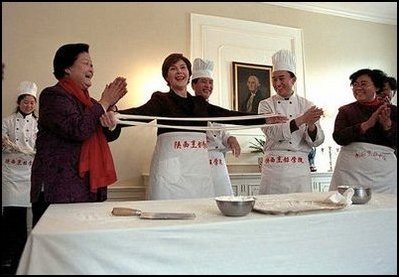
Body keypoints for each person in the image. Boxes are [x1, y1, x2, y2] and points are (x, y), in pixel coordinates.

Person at [106, 53, 287, 200]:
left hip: (198, 172)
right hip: (170, 174)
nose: (179, 72)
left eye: (183, 68)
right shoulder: (161, 99)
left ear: (189, 74)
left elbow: (229, 115)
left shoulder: (199, 103)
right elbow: (140, 114)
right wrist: (116, 116)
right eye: (173, 68)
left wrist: (264, 119)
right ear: (166, 76)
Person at [30, 43, 128, 228]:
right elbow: (77, 129)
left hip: (86, 189)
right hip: (59, 190)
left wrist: (111, 120)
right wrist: (104, 102)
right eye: (85, 63)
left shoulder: (90, 103)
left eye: (92, 64)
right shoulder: (53, 95)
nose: (91, 68)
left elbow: (106, 135)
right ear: (66, 68)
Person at [258, 49, 325, 194]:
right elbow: (273, 132)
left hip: (299, 168)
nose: (277, 83)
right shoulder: (265, 104)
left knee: (300, 209)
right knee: (270, 209)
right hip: (274, 167)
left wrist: (311, 125)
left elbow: (316, 142)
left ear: (293, 80)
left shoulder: (307, 104)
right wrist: (302, 119)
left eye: (281, 78)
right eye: (274, 79)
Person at [329, 69, 397, 194]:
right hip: (350, 173)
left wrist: (388, 125)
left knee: (386, 209)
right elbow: (338, 137)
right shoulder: (345, 111)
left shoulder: (393, 111)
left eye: (363, 84)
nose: (358, 88)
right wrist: (365, 125)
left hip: (384, 175)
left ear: (376, 87)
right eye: (355, 85)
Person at [2, 81, 38, 273]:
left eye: (32, 102)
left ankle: (24, 258)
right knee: (11, 216)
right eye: (25, 102)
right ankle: (8, 258)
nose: (28, 105)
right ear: (19, 102)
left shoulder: (40, 124)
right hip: (10, 175)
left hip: (29, 174)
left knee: (27, 217)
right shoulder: (6, 121)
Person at [191, 58, 240, 196]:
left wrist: (230, 138)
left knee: (223, 203)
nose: (208, 85)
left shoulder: (214, 110)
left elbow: (223, 134)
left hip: (219, 167)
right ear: (193, 85)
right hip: (199, 165)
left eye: (210, 82)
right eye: (203, 82)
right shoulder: (187, 109)